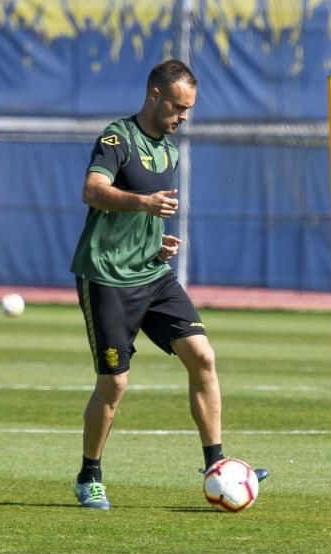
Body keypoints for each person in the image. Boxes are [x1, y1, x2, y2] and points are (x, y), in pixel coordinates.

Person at [70, 59, 268, 509]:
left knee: (202, 355)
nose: (183, 117)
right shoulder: (117, 138)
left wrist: (157, 245)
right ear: (155, 95)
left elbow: (144, 216)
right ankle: (89, 475)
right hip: (107, 277)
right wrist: (143, 202)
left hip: (153, 272)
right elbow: (93, 190)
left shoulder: (170, 151)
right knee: (114, 385)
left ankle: (217, 464)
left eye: (189, 109)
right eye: (178, 107)